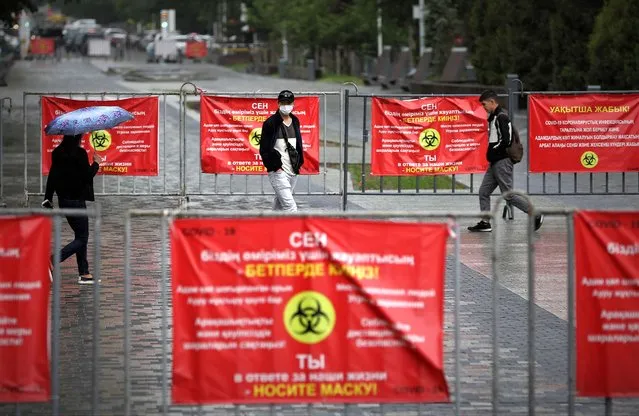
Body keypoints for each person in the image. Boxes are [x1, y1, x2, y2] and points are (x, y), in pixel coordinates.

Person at [468, 90, 543, 232]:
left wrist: (494, 152)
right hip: (495, 162)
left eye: (484, 104)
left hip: (502, 161)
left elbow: (506, 140)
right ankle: (485, 222)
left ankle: (535, 213)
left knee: (509, 196)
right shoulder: (494, 117)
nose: (483, 107)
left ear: (492, 102)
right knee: (484, 192)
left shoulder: (502, 117)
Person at [42, 134, 102, 284]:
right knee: (82, 237)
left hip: (64, 201)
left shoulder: (57, 152)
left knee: (80, 236)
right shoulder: (80, 154)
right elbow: (87, 177)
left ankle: (84, 273)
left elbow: (52, 176)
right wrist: (96, 163)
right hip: (77, 202)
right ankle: (54, 259)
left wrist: (47, 198)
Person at [259, 90, 304, 212]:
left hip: (293, 170)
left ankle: (269, 228)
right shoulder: (270, 123)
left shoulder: (295, 121)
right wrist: (276, 167)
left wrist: (299, 163)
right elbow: (264, 149)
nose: (286, 105)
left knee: (279, 207)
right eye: (283, 102)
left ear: (293, 104)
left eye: (289, 102)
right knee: (290, 207)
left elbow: (298, 144)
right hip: (278, 171)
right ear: (278, 104)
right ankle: (297, 230)